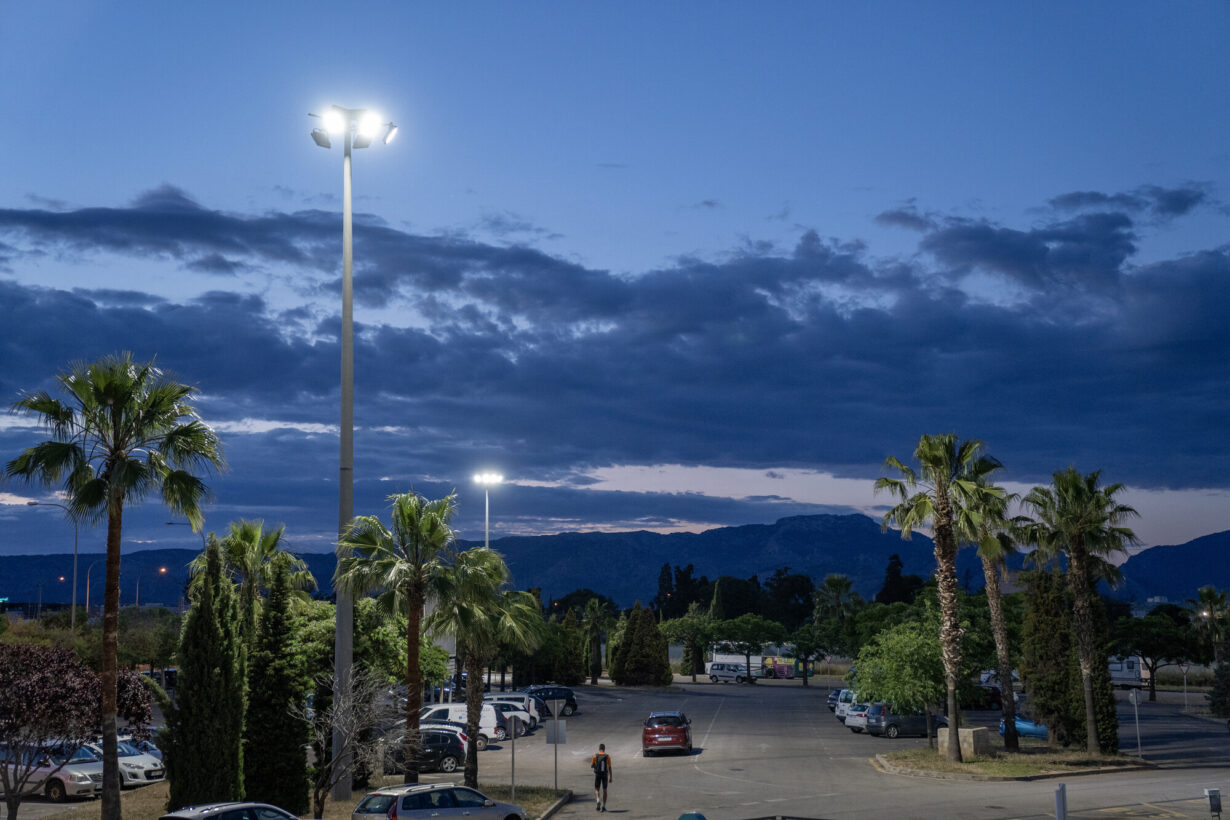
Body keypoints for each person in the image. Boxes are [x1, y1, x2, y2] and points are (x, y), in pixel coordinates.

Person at [590, 742, 612, 811]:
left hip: (598, 774)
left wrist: (594, 766)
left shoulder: (595, 756)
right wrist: (610, 777)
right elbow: (609, 767)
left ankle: (598, 800)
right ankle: (604, 806)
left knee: (597, 789)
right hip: (605, 775)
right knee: (605, 790)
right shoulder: (607, 756)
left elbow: (591, 765)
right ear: (604, 749)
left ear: (599, 749)